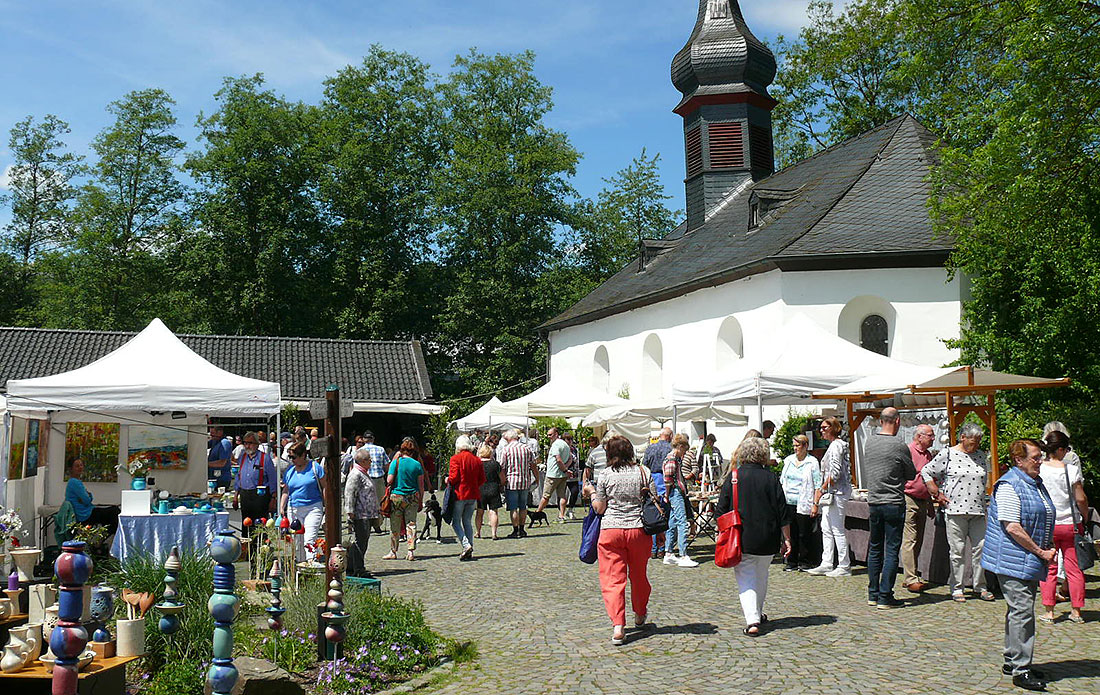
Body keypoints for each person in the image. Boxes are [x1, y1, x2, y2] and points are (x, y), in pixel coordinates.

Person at [981, 439, 1056, 691]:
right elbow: (1012, 526)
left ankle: (1012, 660)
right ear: (1019, 460)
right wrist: (1041, 551)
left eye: (1040, 456)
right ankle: (1021, 670)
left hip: (1025, 557)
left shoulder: (1033, 482)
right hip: (1013, 558)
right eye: (1035, 457)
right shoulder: (1009, 485)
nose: (1040, 461)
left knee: (1017, 611)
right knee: (1023, 612)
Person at [715, 437, 792, 636]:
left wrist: (721, 535)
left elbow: (720, 511)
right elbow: (783, 512)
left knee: (746, 578)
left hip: (742, 537)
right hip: (768, 536)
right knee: (761, 575)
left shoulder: (734, 477)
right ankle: (757, 612)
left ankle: (752, 621)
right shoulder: (771, 478)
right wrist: (787, 539)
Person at [585, 435, 656, 646]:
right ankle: (640, 613)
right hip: (639, 530)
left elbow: (599, 508)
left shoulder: (606, 474)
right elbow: (654, 501)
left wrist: (591, 493)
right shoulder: (644, 472)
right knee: (639, 576)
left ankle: (618, 625)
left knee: (613, 579)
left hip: (611, 530)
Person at [923, 422, 994, 602]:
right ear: (963, 437)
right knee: (957, 551)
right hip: (955, 509)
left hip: (978, 510)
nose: (976, 445)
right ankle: (957, 588)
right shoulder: (948, 454)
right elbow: (926, 471)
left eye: (978, 442)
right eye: (973, 441)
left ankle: (980, 586)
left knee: (981, 549)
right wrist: (935, 491)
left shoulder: (980, 455)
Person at [859, 407, 915, 609]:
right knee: (891, 550)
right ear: (897, 421)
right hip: (893, 501)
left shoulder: (869, 442)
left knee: (875, 548)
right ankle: (885, 595)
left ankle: (873, 593)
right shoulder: (899, 445)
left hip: (874, 501)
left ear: (881, 421)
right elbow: (911, 474)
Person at [1038, 430, 1089, 623]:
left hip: (1048, 525)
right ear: (1060, 449)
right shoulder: (1071, 470)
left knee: (1049, 569)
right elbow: (1081, 498)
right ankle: (1076, 611)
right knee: (1074, 570)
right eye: (1066, 449)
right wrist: (1084, 517)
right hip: (1070, 524)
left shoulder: (1039, 469)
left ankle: (1049, 611)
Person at [807, 417, 852, 577]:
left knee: (837, 528)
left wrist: (822, 488)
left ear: (833, 428)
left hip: (837, 492)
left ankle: (844, 564)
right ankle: (827, 562)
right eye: (821, 428)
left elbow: (835, 472)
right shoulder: (833, 445)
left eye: (825, 427)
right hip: (832, 493)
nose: (821, 430)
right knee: (826, 527)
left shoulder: (836, 446)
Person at [901, 424, 936, 592]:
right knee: (910, 539)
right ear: (919, 436)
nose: (933, 438)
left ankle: (911, 574)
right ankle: (911, 578)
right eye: (930, 435)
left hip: (923, 500)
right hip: (909, 498)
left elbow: (928, 480)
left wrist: (930, 503)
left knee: (919, 539)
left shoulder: (928, 455)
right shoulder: (908, 451)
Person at [279, 441, 326, 562]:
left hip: (313, 507)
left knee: (309, 539)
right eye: (290, 457)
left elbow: (324, 487)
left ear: (303, 455)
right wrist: (282, 506)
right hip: (294, 508)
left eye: (294, 457)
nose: (292, 460)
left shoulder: (315, 467)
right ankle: (300, 565)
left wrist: (327, 506)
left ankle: (311, 563)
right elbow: (286, 490)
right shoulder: (290, 471)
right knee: (297, 541)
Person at [779, 434, 820, 571]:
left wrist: (815, 504)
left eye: (798, 446)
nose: (795, 448)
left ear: (805, 446)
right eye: (794, 446)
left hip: (804, 501)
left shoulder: (812, 462)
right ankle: (791, 561)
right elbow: (783, 480)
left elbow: (817, 484)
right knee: (790, 533)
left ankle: (805, 561)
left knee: (804, 533)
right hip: (788, 501)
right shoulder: (789, 460)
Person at [382, 437, 425, 561]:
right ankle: (410, 552)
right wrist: (420, 500)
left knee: (395, 525)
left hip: (397, 497)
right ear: (413, 451)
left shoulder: (396, 462)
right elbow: (421, 486)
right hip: (412, 497)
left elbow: (389, 480)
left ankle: (393, 551)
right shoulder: (417, 464)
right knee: (411, 524)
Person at [448, 434, 486, 560]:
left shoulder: (455, 459)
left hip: (460, 494)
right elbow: (482, 479)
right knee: (467, 522)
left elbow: (454, 478)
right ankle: (470, 548)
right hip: (473, 494)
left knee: (456, 522)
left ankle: (466, 545)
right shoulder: (477, 460)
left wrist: (447, 480)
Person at [343, 448, 380, 577]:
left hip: (367, 513)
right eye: (369, 460)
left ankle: (353, 567)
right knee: (360, 542)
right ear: (363, 461)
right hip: (360, 514)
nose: (371, 462)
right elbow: (349, 493)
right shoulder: (355, 474)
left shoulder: (363, 473)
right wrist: (350, 512)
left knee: (362, 541)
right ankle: (358, 569)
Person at [662, 433, 698, 567]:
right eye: (684, 450)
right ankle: (683, 555)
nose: (684, 453)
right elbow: (668, 479)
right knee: (682, 522)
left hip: (675, 492)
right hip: (675, 492)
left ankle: (669, 553)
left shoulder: (674, 458)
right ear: (680, 446)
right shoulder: (672, 459)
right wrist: (667, 495)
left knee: (673, 522)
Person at [234, 431, 277, 540]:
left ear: (257, 444)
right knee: (246, 525)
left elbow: (273, 480)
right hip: (245, 495)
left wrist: (273, 498)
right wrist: (235, 495)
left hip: (260, 496)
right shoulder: (242, 457)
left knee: (260, 525)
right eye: (245, 443)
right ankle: (247, 547)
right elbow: (238, 477)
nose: (247, 446)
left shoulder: (265, 458)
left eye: (250, 443)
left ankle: (261, 547)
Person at [64, 458, 121, 535]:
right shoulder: (75, 482)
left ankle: (106, 535)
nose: (80, 467)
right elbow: (87, 500)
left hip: (86, 512)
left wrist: (88, 496)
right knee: (114, 512)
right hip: (84, 514)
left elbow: (86, 498)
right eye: (77, 466)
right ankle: (107, 536)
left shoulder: (73, 482)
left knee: (111, 513)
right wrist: (89, 496)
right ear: (71, 469)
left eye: (81, 465)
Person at [499, 429, 537, 538]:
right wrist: (537, 478)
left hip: (511, 482)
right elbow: (533, 465)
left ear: (508, 438)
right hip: (525, 481)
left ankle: (515, 530)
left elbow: (502, 467)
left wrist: (502, 481)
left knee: (513, 508)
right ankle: (522, 529)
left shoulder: (506, 449)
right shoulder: (526, 448)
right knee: (523, 507)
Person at [536, 427, 571, 523]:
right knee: (562, 496)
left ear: (556, 434)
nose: (548, 437)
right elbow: (570, 459)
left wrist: (564, 469)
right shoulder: (565, 444)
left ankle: (537, 514)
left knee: (546, 496)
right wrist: (565, 469)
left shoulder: (556, 445)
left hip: (553, 474)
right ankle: (561, 516)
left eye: (550, 435)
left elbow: (558, 459)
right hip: (562, 475)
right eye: (548, 435)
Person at [359, 431, 389, 534]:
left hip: (365, 479)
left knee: (365, 502)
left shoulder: (360, 451)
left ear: (364, 439)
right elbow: (387, 465)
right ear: (373, 439)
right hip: (378, 479)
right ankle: (377, 524)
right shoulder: (381, 449)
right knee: (380, 503)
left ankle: (366, 525)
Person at [475, 443, 505, 540]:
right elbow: (502, 478)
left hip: (480, 489)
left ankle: (478, 532)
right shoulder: (495, 464)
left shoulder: (477, 464)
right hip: (493, 488)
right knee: (493, 512)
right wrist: (501, 484)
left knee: (479, 512)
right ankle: (494, 533)